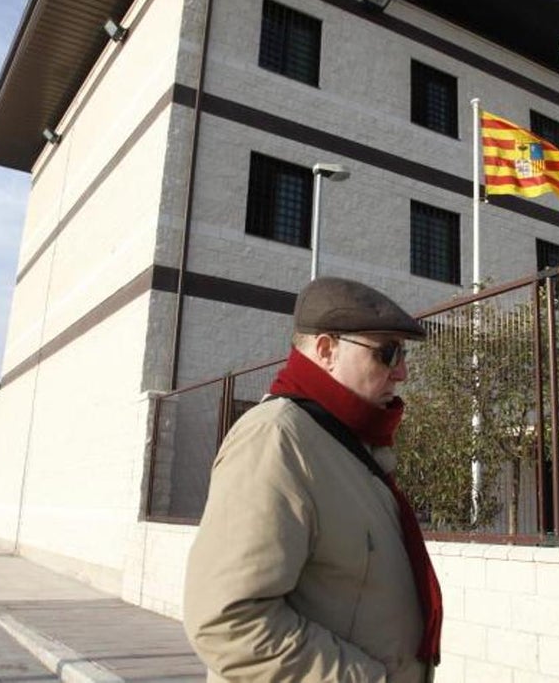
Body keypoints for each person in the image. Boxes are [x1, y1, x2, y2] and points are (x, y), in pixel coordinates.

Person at [183, 276, 442, 682]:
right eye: (388, 353)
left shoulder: (349, 447)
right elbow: (227, 620)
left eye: (403, 354)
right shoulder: (277, 438)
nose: (403, 373)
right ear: (326, 350)